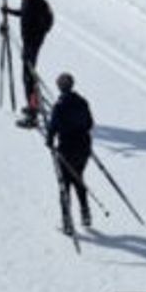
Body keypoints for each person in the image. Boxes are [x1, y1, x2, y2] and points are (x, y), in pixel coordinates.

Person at [0, 0, 54, 126]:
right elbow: (24, 14)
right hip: (28, 44)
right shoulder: (26, 0)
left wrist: (37, 39)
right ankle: (33, 105)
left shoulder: (38, 2)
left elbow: (49, 21)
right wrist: (8, 11)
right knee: (27, 77)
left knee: (28, 79)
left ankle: (33, 113)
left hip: (32, 45)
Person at [46, 72, 94, 233]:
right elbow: (89, 124)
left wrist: (50, 141)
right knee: (78, 177)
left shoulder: (59, 106)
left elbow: (52, 128)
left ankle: (67, 221)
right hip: (84, 147)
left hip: (67, 150)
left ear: (60, 87)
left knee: (64, 184)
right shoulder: (82, 102)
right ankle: (85, 212)